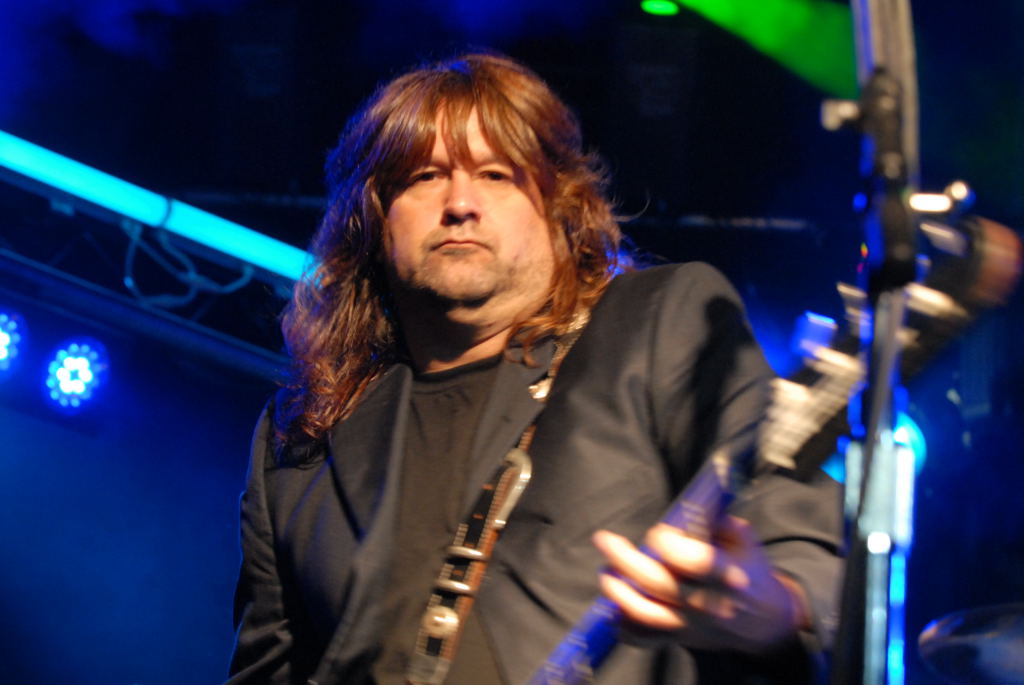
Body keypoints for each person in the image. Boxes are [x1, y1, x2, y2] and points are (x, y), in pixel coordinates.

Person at [227, 53, 843, 685]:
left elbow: (800, 538)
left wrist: (775, 610)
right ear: (372, 217)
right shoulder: (301, 433)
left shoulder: (659, 322)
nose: (460, 203)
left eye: (495, 175)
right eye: (424, 177)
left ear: (557, 207)